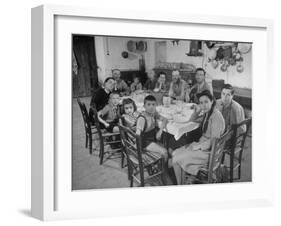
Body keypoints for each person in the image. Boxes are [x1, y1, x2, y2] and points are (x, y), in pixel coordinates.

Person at [172, 90, 225, 184]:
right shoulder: (208, 113)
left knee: (176, 159)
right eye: (201, 103)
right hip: (203, 145)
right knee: (174, 153)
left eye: (206, 102)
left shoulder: (216, 116)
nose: (203, 105)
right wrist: (197, 111)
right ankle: (182, 180)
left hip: (210, 152)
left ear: (212, 101)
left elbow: (214, 141)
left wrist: (197, 147)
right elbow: (192, 120)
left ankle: (180, 185)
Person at [136, 95, 168, 161]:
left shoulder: (153, 113)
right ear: (144, 106)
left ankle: (163, 166)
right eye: (149, 104)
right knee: (164, 152)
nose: (151, 107)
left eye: (153, 104)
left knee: (168, 145)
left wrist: (160, 131)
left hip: (152, 139)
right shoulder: (142, 118)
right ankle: (164, 170)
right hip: (144, 143)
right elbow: (137, 136)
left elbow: (165, 119)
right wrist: (140, 152)